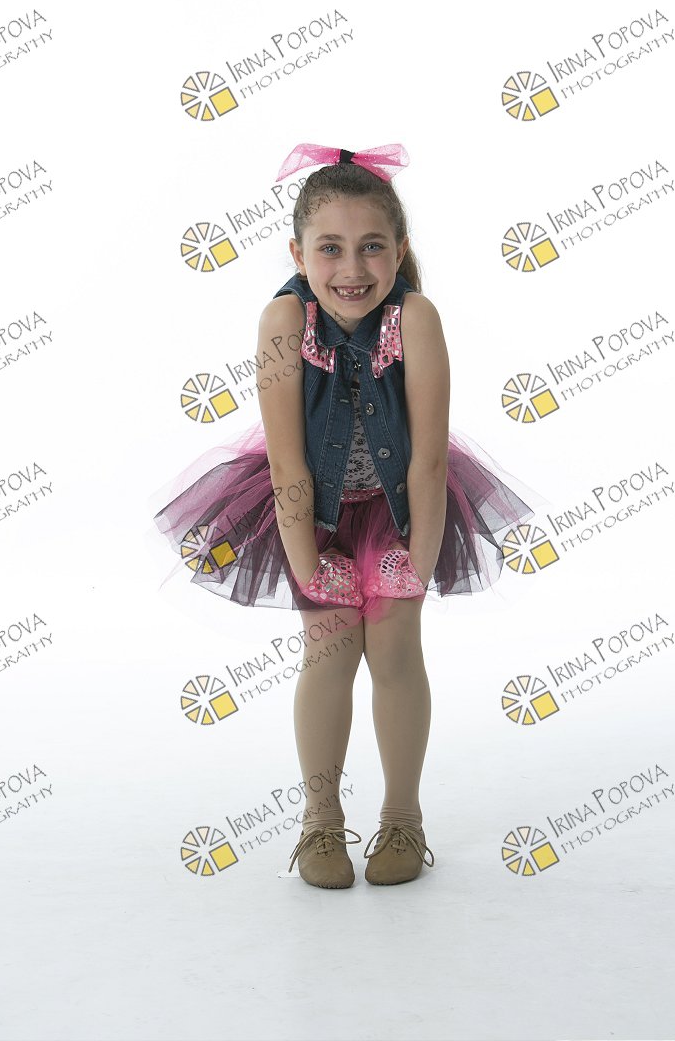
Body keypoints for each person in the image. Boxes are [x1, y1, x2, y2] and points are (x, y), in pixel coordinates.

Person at [153, 141, 540, 890]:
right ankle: (320, 822)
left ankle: (403, 817)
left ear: (401, 249)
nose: (352, 268)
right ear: (298, 253)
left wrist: (417, 559)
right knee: (328, 653)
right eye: (330, 248)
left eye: (372, 247)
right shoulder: (282, 321)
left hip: (403, 509)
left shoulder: (415, 318)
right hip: (312, 511)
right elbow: (287, 462)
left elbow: (429, 459)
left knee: (395, 651)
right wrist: (306, 561)